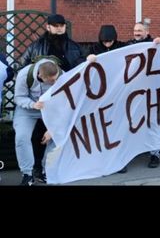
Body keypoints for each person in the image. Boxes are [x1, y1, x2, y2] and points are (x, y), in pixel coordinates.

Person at [19, 13, 84, 180]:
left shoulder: (74, 47)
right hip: (38, 101)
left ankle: (50, 168)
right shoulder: (36, 46)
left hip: (61, 100)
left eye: (62, 25)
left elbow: (81, 69)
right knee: (37, 137)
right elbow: (24, 67)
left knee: (57, 135)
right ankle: (36, 168)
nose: (59, 28)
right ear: (48, 27)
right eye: (56, 25)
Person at [86, 25, 128, 173]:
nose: (107, 44)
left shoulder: (122, 47)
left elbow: (138, 49)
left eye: (110, 41)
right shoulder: (93, 49)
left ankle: (119, 160)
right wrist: (87, 60)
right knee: (102, 128)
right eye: (105, 42)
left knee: (118, 128)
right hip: (101, 95)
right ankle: (103, 159)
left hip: (118, 94)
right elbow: (82, 66)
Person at [13, 59, 62, 185]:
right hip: (28, 108)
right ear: (40, 75)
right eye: (51, 81)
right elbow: (19, 97)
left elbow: (66, 104)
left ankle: (47, 171)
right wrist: (32, 104)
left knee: (58, 135)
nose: (55, 82)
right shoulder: (25, 75)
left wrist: (52, 129)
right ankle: (27, 174)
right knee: (21, 137)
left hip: (53, 110)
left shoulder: (63, 75)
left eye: (56, 79)